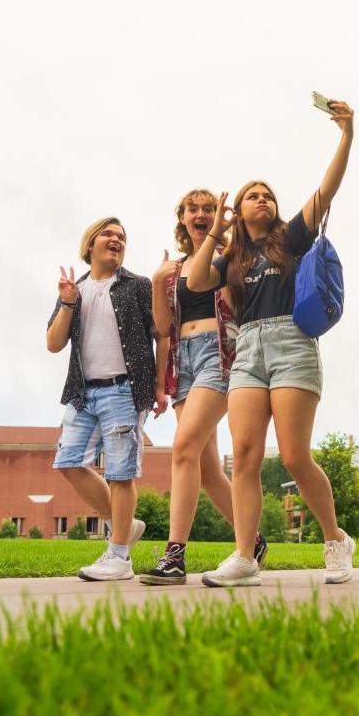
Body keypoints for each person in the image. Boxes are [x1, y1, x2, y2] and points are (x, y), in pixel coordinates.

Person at [187, 98, 355, 586]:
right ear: (239, 210)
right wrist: (215, 232)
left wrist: (346, 135)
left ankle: (335, 541)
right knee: (243, 455)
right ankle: (244, 556)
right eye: (252, 196)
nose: (263, 199)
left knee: (296, 455)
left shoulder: (291, 239)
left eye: (268, 195)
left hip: (291, 343)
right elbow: (196, 281)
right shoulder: (232, 258)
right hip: (248, 353)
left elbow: (326, 191)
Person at [139, 190, 267, 585]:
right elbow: (164, 329)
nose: (201, 214)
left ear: (218, 217)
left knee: (183, 446)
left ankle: (175, 556)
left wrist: (224, 242)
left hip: (219, 352)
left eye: (208, 208)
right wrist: (159, 283)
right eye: (193, 209)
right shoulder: (172, 269)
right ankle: (254, 541)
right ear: (182, 218)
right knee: (209, 469)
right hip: (183, 362)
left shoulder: (229, 256)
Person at [47, 217, 168, 580]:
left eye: (122, 237)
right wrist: (68, 303)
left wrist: (160, 386)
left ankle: (119, 557)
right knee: (68, 462)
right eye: (108, 234)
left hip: (125, 389)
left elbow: (161, 334)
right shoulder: (75, 289)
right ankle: (125, 527)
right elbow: (53, 343)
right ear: (91, 245)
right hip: (82, 392)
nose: (116, 240)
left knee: (120, 473)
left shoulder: (138, 286)